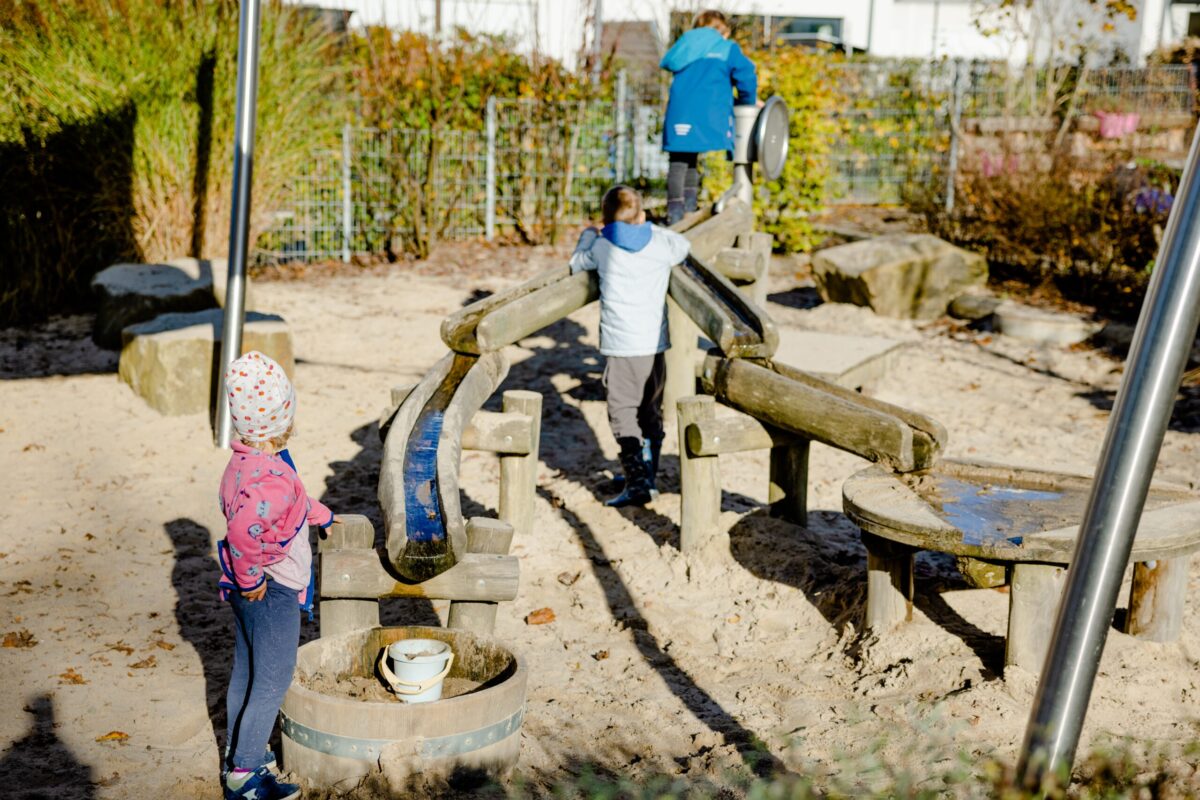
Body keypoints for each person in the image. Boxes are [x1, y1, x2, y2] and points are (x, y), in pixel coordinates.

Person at [216, 351, 335, 800]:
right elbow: (244, 533)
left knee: (245, 672)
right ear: (282, 417)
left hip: (247, 587)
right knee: (272, 679)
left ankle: (239, 752)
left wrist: (321, 515)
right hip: (271, 589)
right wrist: (253, 582)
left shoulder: (245, 463)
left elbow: (294, 505)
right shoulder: (272, 477)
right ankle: (244, 775)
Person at [570, 186, 691, 507]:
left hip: (622, 345)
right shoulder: (660, 243)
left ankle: (638, 482)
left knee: (622, 410)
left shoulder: (603, 246)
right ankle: (648, 473)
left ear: (606, 219)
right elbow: (683, 245)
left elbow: (576, 263)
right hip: (654, 343)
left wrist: (588, 235)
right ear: (641, 215)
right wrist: (652, 228)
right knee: (649, 407)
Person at [660, 9, 758, 225]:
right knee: (691, 160)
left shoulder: (685, 44)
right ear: (722, 29)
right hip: (708, 113)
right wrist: (746, 102)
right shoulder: (726, 48)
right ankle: (689, 209)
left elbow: (668, 63)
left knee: (680, 160)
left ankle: (675, 214)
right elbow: (746, 75)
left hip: (679, 111)